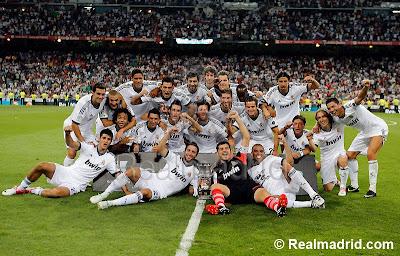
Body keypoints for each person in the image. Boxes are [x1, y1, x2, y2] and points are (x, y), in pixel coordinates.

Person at [89, 127, 200, 210]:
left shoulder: (195, 171)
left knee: (145, 192)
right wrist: (169, 133)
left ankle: (110, 203)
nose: (190, 153)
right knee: (132, 171)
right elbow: (160, 148)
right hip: (151, 178)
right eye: (188, 150)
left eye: (193, 152)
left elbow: (193, 190)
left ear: (196, 155)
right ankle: (104, 195)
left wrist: (198, 188)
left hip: (161, 191)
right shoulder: (174, 158)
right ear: (185, 151)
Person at [206, 111, 288, 217]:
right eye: (221, 149)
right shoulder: (216, 170)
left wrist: (237, 118)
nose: (224, 150)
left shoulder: (240, 157)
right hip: (232, 193)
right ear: (217, 152)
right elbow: (216, 190)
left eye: (226, 148)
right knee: (214, 186)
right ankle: (221, 207)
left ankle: (279, 208)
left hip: (249, 189)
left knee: (263, 193)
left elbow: (246, 137)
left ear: (231, 151)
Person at [2, 128, 117, 198]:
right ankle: (20, 188)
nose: (105, 141)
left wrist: (127, 192)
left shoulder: (109, 158)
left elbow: (118, 175)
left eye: (108, 139)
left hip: (76, 185)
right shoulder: (88, 147)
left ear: (110, 142)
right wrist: (67, 134)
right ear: (99, 139)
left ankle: (33, 190)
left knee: (54, 194)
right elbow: (71, 143)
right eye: (104, 138)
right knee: (42, 165)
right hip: (66, 172)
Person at [326, 79, 389, 198]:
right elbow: (323, 119)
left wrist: (366, 87)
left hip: (377, 127)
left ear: (339, 104)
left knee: (371, 153)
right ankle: (354, 186)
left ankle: (372, 189)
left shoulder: (350, 105)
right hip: (364, 132)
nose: (331, 110)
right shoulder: (335, 118)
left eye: (333, 106)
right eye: (329, 108)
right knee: (349, 156)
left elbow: (360, 97)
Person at [249, 142, 325, 209]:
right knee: (280, 202)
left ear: (264, 153)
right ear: (252, 153)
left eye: (261, 151)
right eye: (256, 151)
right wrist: (268, 196)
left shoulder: (270, 158)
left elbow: (288, 163)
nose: (259, 153)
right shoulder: (251, 171)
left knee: (287, 166)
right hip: (276, 194)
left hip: (288, 184)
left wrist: (285, 173)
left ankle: (314, 195)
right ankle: (310, 204)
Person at [63, 83, 107, 166]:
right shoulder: (83, 103)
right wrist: (83, 143)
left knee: (97, 150)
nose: (101, 97)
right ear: (92, 93)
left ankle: (86, 174)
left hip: (87, 129)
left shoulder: (104, 99)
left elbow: (117, 93)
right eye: (98, 94)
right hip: (72, 126)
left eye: (103, 94)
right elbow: (74, 124)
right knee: (72, 152)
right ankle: (64, 174)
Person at [308, 109, 349, 196]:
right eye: (319, 118)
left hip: (339, 153)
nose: (322, 119)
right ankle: (335, 180)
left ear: (328, 117)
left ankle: (343, 187)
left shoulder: (338, 123)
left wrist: (316, 124)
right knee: (328, 189)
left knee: (343, 158)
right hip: (327, 159)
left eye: (323, 116)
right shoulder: (317, 134)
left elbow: (338, 111)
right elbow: (314, 148)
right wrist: (310, 139)